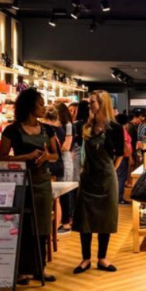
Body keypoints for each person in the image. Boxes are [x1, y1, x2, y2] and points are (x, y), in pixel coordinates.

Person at [0, 88, 59, 284]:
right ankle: (22, 270)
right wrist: (27, 156)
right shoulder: (12, 130)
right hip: (22, 183)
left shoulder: (48, 129)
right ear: (30, 106)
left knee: (42, 226)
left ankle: (39, 268)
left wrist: (46, 157)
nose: (44, 107)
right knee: (23, 226)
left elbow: (56, 155)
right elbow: (2, 158)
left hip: (42, 183)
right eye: (40, 104)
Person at [73, 90, 124, 275]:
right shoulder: (85, 126)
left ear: (102, 104)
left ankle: (102, 257)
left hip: (107, 179)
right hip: (88, 177)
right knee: (85, 219)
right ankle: (85, 258)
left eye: (92, 102)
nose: (90, 106)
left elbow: (120, 154)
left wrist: (111, 170)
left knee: (106, 218)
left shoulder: (115, 128)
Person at [61, 100, 89, 234]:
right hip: (87, 158)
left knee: (73, 186)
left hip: (75, 157)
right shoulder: (90, 125)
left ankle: (72, 216)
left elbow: (70, 146)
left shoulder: (75, 125)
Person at [115, 113, 132, 205]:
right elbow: (125, 145)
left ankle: (119, 197)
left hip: (122, 156)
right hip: (123, 156)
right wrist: (130, 156)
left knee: (120, 177)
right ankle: (120, 198)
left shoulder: (119, 130)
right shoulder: (122, 130)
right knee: (121, 177)